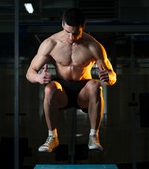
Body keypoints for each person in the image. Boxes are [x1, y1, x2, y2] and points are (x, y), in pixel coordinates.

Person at [26, 8, 117, 153]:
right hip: (62, 91)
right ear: (62, 25)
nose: (71, 38)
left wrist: (109, 77)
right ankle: (52, 137)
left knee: (95, 85)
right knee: (49, 88)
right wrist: (38, 77)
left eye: (76, 33)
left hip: (83, 92)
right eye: (68, 32)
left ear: (83, 27)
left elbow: (113, 76)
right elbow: (29, 73)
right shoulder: (51, 44)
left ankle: (94, 136)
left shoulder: (94, 46)